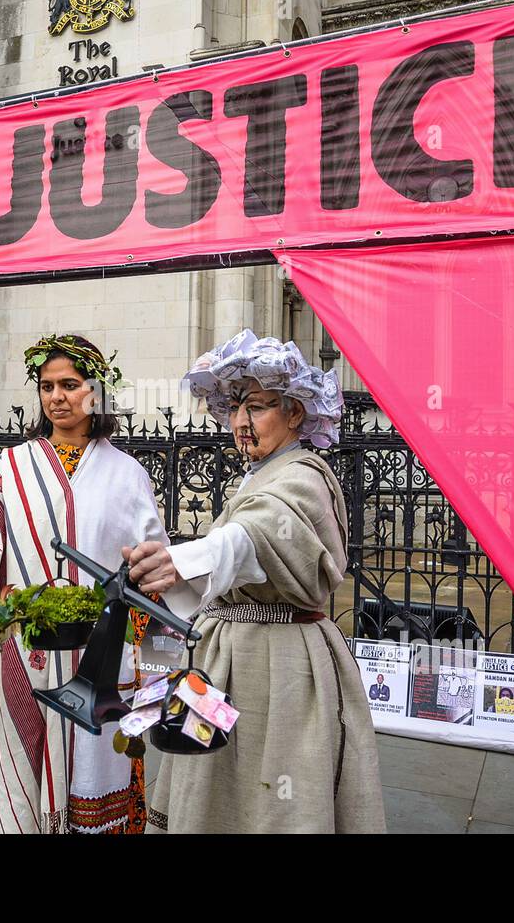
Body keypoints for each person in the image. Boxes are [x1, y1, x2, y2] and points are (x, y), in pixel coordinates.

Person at [0, 334, 175, 835]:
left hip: (104, 656)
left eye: (70, 385)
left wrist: (158, 663)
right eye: (47, 386)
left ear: (96, 392)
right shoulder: (9, 469)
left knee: (97, 768)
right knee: (22, 761)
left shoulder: (128, 474)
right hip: (27, 653)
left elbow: (155, 568)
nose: (57, 396)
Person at [124, 329, 385, 834]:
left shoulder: (303, 475)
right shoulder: (260, 474)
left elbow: (256, 538)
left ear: (294, 413)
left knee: (276, 786)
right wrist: (175, 569)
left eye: (258, 407)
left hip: (282, 664)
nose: (242, 422)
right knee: (222, 784)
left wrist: (185, 560)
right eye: (236, 407)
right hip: (230, 656)